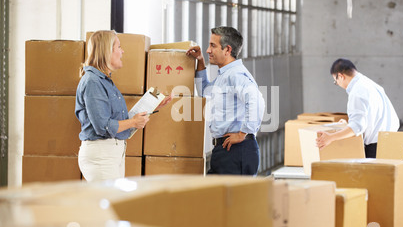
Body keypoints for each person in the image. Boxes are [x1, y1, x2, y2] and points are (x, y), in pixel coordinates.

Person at [75, 30, 170, 182]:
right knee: (111, 202)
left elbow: (120, 121)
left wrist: (153, 105)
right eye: (119, 47)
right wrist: (133, 122)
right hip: (101, 155)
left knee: (114, 202)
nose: (122, 51)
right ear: (107, 51)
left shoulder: (104, 81)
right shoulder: (93, 82)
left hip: (112, 153)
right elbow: (102, 126)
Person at [186, 26, 265, 176]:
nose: (208, 50)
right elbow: (205, 91)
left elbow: (257, 101)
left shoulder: (236, 75)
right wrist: (200, 61)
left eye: (213, 46)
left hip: (236, 151)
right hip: (224, 151)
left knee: (233, 199)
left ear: (227, 50)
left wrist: (243, 133)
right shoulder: (224, 75)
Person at [316, 58, 400, 158]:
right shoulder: (370, 85)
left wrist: (330, 137)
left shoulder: (357, 92)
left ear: (341, 76)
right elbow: (370, 119)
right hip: (392, 143)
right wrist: (348, 125)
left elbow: (356, 128)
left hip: (376, 149)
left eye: (336, 82)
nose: (338, 85)